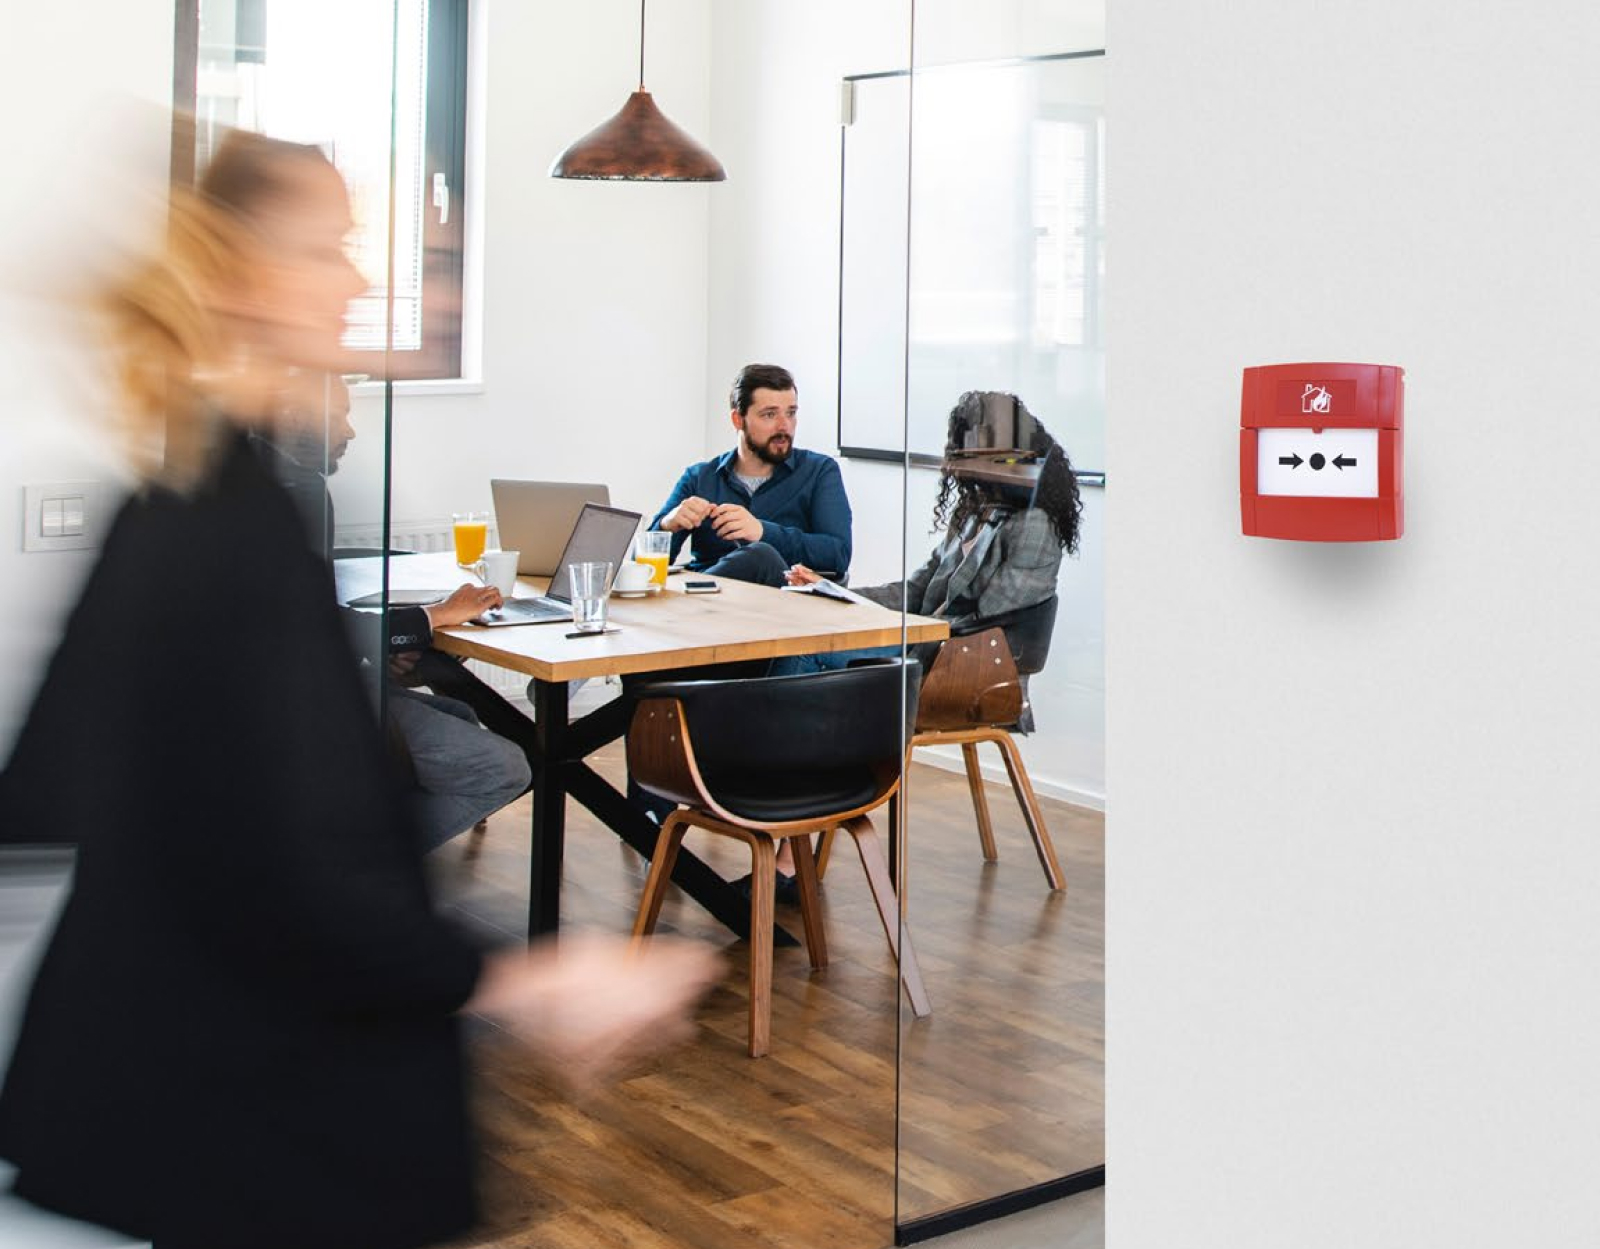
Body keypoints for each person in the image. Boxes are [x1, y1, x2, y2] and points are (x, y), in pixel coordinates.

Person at [0, 129, 718, 1249]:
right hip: (249, 1119)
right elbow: (291, 868)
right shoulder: (231, 515)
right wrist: (528, 981)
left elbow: (52, 779)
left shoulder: (180, 489)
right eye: (325, 247)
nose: (355, 279)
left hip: (166, 1106)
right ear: (232, 273)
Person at [761, 390, 1084, 892]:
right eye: (964, 446)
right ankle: (786, 823)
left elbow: (986, 621)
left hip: (968, 670)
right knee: (799, 640)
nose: (966, 459)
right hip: (927, 649)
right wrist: (833, 591)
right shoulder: (975, 514)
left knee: (809, 655)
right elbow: (915, 590)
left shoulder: (1036, 524)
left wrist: (890, 632)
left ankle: (784, 832)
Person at [254, 372, 532, 851]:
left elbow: (295, 618)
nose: (350, 431)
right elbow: (301, 628)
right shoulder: (293, 493)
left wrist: (383, 644)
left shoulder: (268, 479)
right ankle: (354, 869)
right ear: (293, 413)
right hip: (300, 709)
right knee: (506, 768)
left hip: (299, 691)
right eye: (338, 414)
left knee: (460, 712)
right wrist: (431, 617)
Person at [648, 363, 853, 586]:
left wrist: (763, 532)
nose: (784, 426)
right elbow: (643, 569)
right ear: (738, 419)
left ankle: (692, 598)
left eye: (791, 413)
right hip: (710, 609)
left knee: (760, 555)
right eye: (769, 415)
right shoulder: (700, 477)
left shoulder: (819, 471)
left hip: (782, 605)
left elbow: (838, 555)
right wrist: (667, 525)